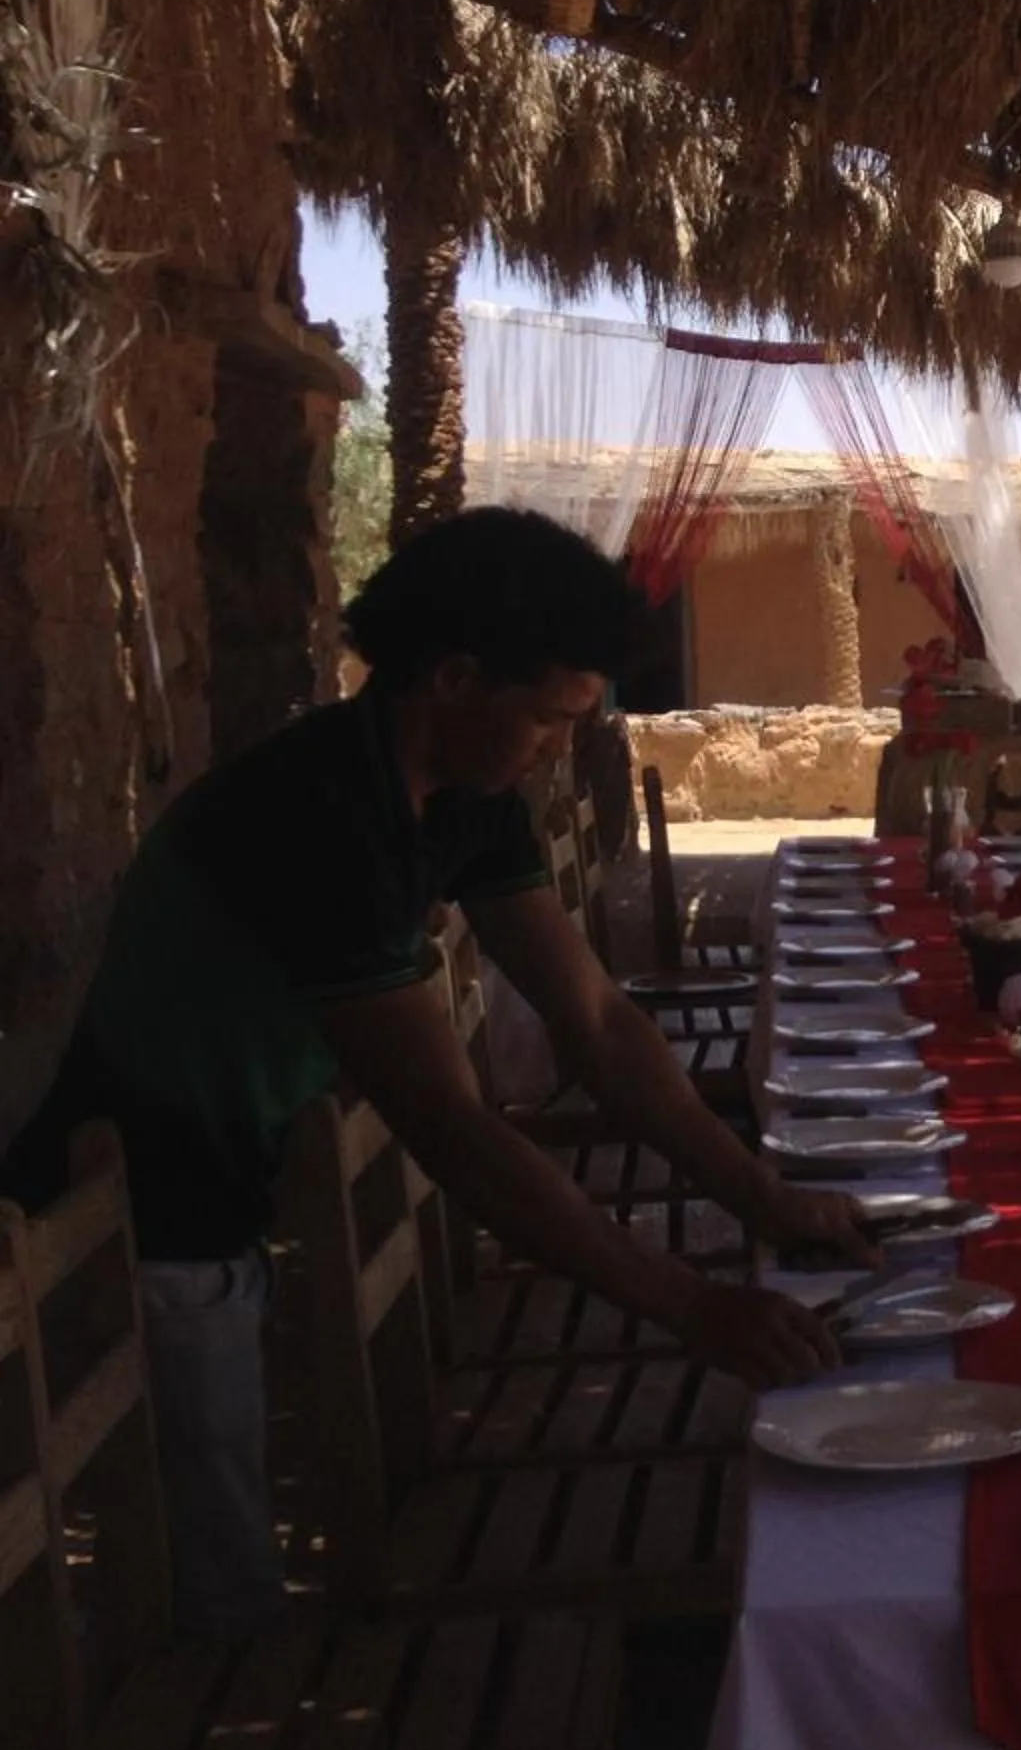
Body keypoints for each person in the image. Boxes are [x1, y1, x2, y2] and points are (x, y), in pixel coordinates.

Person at [0, 507, 867, 1640]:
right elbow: (452, 1130)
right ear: (456, 679)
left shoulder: (461, 796)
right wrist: (691, 1304)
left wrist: (764, 1197)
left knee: (219, 1549)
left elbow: (596, 1021)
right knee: (214, 1602)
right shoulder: (321, 818)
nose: (562, 746)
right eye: (552, 719)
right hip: (142, 1213)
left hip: (215, 1187)